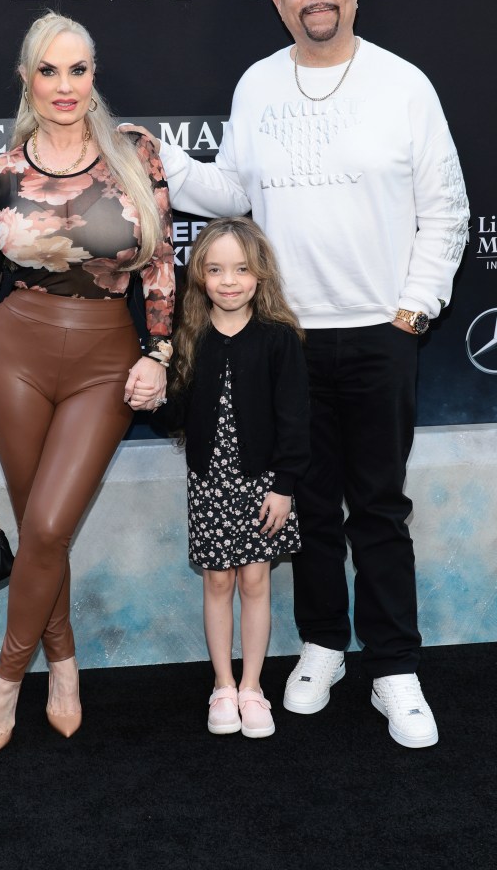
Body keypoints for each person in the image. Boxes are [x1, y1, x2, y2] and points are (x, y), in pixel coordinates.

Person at [123, 0, 469, 748]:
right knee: (304, 507)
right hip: (287, 342)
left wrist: (411, 313)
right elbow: (231, 193)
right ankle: (321, 646)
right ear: (278, 0)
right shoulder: (257, 84)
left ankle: (393, 668)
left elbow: (445, 207)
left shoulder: (403, 85)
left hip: (381, 333)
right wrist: (158, 158)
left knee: (377, 507)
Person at [0, 11, 175, 762]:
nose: (64, 85)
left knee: (45, 528)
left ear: (94, 75)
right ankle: (63, 662)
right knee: (40, 525)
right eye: (49, 70)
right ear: (27, 80)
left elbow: (160, 264)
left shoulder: (135, 153)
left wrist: (160, 353)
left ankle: (5, 683)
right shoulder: (3, 172)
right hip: (14, 353)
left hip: (106, 358)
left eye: (78, 69)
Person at [163, 217, 309, 738]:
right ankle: (222, 686)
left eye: (242, 269)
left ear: (260, 274)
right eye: (216, 269)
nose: (229, 281)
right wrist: (151, 382)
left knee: (255, 579)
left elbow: (295, 419)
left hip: (264, 484)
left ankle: (252, 688)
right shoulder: (187, 337)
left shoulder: (279, 338)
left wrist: (284, 486)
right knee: (218, 580)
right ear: (199, 276)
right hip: (209, 481)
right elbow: (173, 415)